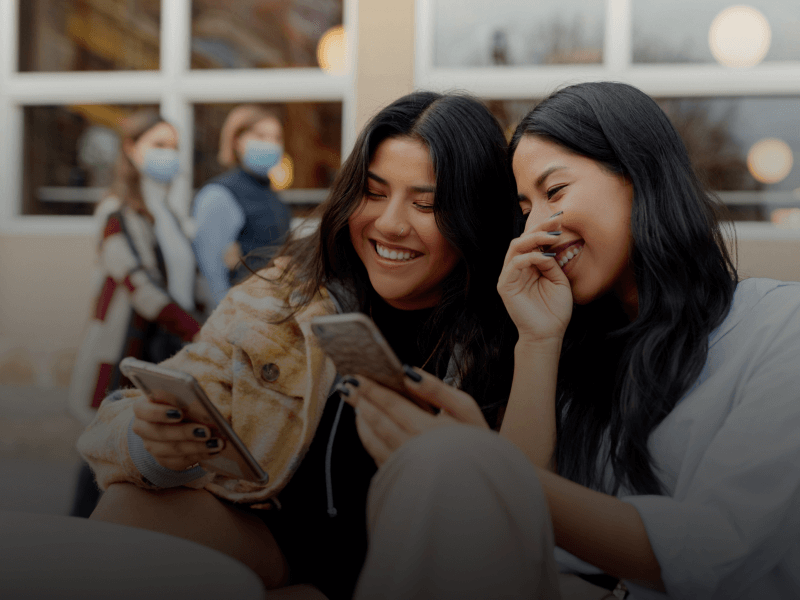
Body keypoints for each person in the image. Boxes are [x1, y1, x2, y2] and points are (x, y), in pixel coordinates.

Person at [339, 82, 800, 600]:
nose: (537, 225)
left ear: (638, 175)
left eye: (554, 192)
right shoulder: (577, 355)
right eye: (525, 207)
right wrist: (537, 340)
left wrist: (487, 468)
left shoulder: (781, 324)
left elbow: (715, 551)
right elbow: (518, 541)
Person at [77, 91, 521, 599]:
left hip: (420, 572)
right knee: (125, 509)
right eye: (373, 193)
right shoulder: (286, 294)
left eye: (427, 203)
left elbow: (528, 525)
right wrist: (151, 443)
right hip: (283, 551)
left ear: (475, 214)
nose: (391, 224)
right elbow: (111, 426)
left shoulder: (511, 329)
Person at [68, 110, 203, 518]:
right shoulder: (116, 212)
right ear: (131, 149)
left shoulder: (173, 214)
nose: (169, 154)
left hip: (167, 347)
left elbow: (187, 283)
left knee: (145, 453)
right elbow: (139, 283)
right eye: (159, 145)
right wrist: (196, 330)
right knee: (105, 453)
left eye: (175, 147)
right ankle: (77, 542)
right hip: (128, 349)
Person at [192, 104, 293, 308]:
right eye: (260, 136)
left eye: (276, 138)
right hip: (239, 314)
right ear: (237, 141)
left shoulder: (272, 195)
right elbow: (211, 273)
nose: (270, 144)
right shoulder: (219, 194)